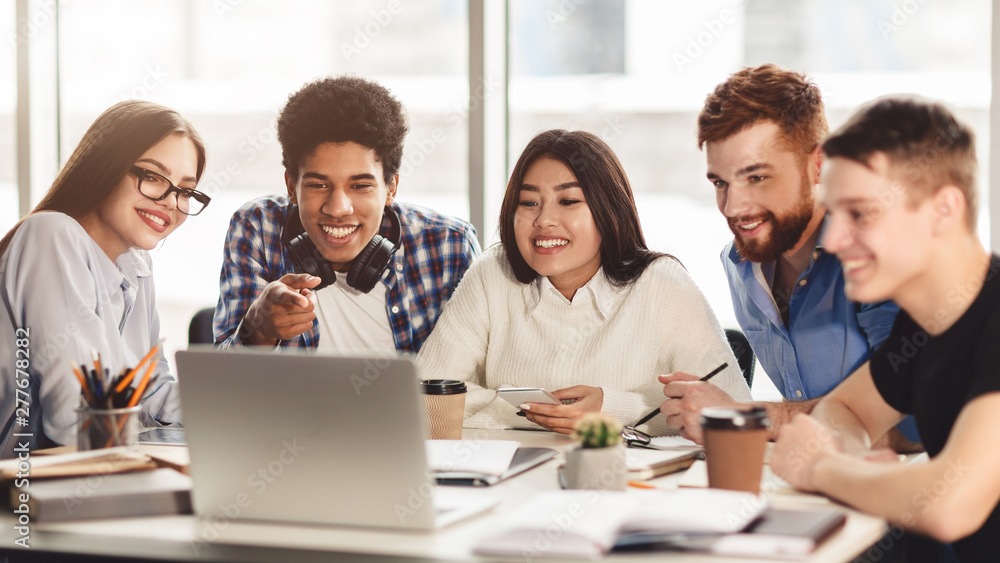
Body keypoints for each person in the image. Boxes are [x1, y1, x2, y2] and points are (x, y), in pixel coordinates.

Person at [770, 97, 1000, 562]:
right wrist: (855, 463)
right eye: (833, 214)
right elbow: (845, 408)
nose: (833, 241)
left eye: (860, 213)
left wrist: (824, 468)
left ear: (943, 210)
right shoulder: (924, 325)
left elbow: (950, 503)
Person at [417, 130, 750, 434]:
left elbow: (729, 409)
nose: (544, 219)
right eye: (529, 202)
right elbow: (424, 396)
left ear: (607, 211)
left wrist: (611, 409)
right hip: (510, 482)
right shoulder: (493, 273)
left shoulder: (662, 284)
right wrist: (544, 418)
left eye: (568, 201)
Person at [659, 64, 917, 450]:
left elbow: (913, 421)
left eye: (756, 177)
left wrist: (746, 418)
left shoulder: (876, 251)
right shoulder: (740, 263)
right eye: (720, 183)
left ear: (817, 166)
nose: (733, 207)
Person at [0, 100, 208, 457]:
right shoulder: (51, 235)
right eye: (153, 177)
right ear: (105, 167)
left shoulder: (136, 265)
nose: (171, 202)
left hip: (85, 477)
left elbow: (152, 396)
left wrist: (238, 416)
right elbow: (77, 423)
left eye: (185, 190)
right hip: (20, 492)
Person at [214, 76, 480, 353]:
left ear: (391, 188)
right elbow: (220, 384)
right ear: (291, 187)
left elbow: (476, 376)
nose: (338, 208)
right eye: (318, 185)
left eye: (360, 186)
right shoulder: (257, 227)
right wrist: (259, 329)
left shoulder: (451, 244)